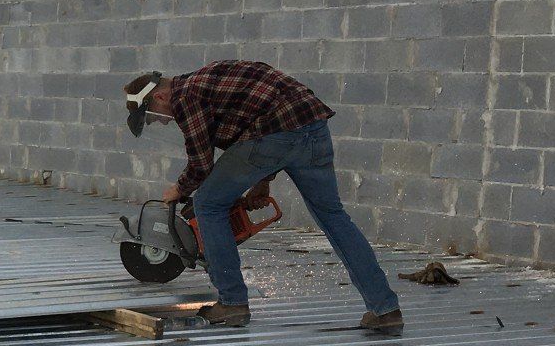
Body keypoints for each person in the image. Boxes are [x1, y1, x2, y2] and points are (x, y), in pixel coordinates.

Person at [123, 61, 403, 331]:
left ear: (159, 95)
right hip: (313, 127)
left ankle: (232, 302)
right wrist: (262, 182)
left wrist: (178, 190)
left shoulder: (184, 97)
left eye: (154, 115)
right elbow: (262, 121)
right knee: (333, 216)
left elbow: (201, 165)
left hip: (277, 135)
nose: (160, 122)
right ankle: (385, 308)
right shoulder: (209, 78)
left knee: (208, 203)